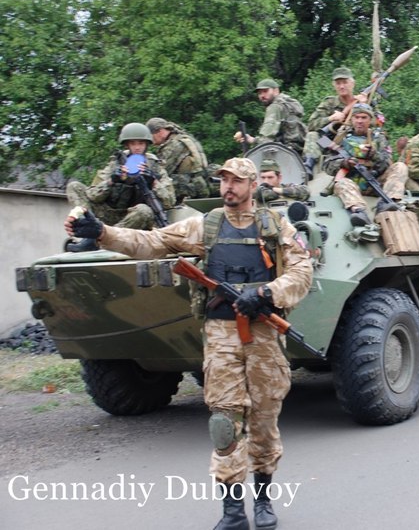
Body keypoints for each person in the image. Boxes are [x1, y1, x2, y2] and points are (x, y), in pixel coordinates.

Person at [64, 157, 312, 530]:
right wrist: (101, 232)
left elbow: (302, 271)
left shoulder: (275, 226)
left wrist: (266, 292)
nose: (227, 187)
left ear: (251, 185)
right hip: (221, 337)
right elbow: (149, 242)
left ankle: (263, 502)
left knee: (263, 421)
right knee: (224, 423)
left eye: (235, 181)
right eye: (223, 180)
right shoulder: (204, 227)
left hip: (262, 335)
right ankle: (232, 514)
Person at [65, 122, 175, 252]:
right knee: (74, 186)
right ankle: (90, 237)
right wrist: (112, 181)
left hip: (135, 220)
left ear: (146, 145)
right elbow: (93, 195)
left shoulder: (154, 165)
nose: (137, 148)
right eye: (133, 143)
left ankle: (105, 239)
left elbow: (170, 201)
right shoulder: (116, 163)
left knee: (144, 210)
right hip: (110, 213)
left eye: (141, 143)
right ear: (127, 145)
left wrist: (154, 182)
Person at [320, 103, 408, 226]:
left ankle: (387, 203)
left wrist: (374, 155)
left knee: (400, 166)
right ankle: (359, 211)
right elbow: (327, 165)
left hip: (374, 183)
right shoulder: (341, 137)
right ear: (351, 119)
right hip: (352, 184)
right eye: (356, 117)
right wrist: (345, 163)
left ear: (370, 120)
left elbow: (387, 163)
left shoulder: (379, 138)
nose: (360, 121)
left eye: (364, 117)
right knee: (341, 182)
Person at [301, 67, 368, 177]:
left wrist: (364, 106)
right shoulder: (329, 103)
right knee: (313, 135)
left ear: (353, 83)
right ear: (334, 85)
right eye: (338, 83)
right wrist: (330, 118)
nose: (341, 86)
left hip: (355, 143)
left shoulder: (364, 101)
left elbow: (376, 124)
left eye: (345, 82)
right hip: (330, 144)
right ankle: (309, 165)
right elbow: (311, 124)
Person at [234, 78, 307, 156]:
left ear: (276, 91)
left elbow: (266, 139)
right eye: (259, 93)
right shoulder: (288, 104)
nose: (262, 96)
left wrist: (253, 141)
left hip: (285, 153)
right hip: (299, 150)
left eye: (265, 91)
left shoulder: (275, 107)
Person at [146, 117, 210, 201]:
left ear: (160, 131)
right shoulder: (185, 138)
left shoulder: (173, 145)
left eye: (151, 136)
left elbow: (161, 172)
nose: (150, 140)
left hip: (189, 190)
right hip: (200, 184)